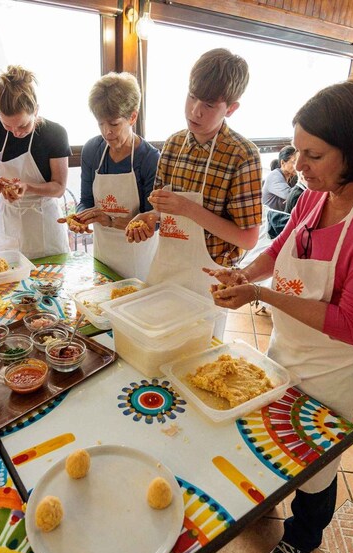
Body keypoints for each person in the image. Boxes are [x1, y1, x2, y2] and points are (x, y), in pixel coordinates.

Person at [205, 79, 353, 553]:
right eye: (296, 150)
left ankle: (304, 535)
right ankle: (268, 499)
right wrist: (244, 272)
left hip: (343, 360)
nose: (297, 165)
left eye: (314, 154)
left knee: (315, 455)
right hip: (293, 344)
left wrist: (260, 295)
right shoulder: (316, 190)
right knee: (272, 428)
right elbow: (286, 248)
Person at [126, 48, 263, 337]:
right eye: (191, 97)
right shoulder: (174, 144)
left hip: (209, 281)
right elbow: (161, 210)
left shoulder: (242, 155)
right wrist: (150, 219)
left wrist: (188, 209)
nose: (194, 111)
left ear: (232, 108)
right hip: (166, 269)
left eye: (209, 105)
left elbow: (248, 238)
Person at [0, 66, 71, 259]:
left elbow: (59, 188)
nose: (16, 132)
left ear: (36, 110)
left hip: (46, 224)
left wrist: (27, 187)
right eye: (7, 125)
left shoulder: (55, 134)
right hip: (9, 224)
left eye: (23, 125)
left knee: (51, 283)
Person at [71, 72, 160, 280]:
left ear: (132, 117)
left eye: (114, 124)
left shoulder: (149, 159)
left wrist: (108, 219)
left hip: (138, 258)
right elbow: (85, 201)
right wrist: (81, 218)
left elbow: (152, 221)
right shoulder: (92, 150)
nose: (106, 132)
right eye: (100, 123)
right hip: (103, 254)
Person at [263, 146, 298, 211]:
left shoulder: (292, 176)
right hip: (271, 219)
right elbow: (290, 195)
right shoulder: (274, 176)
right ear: (282, 163)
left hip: (281, 217)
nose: (297, 165)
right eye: (294, 162)